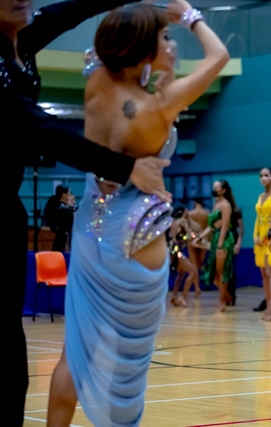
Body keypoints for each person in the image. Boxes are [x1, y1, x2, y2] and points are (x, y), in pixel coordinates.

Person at [46, 2, 229, 426]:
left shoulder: (98, 81)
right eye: (164, 38)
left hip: (90, 234)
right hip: (135, 241)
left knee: (75, 355)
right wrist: (190, 16)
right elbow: (219, 56)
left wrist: (148, 16)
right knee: (126, 370)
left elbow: (104, 48)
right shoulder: (160, 104)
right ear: (142, 46)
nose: (172, 45)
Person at [1, 0, 173, 424]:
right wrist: (124, 167)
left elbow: (66, 12)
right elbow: (42, 129)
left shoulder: (23, 37)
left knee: (10, 359)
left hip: (6, 209)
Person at [198, 180, 237, 312]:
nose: (214, 190)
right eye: (213, 187)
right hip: (215, 237)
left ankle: (222, 302)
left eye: (216, 187)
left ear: (223, 190)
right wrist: (200, 237)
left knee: (221, 271)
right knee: (214, 274)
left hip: (224, 238)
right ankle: (226, 295)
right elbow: (210, 227)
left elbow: (225, 225)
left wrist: (220, 243)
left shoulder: (225, 205)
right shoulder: (216, 204)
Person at [253, 167, 271, 321]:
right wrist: (255, 235)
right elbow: (258, 217)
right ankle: (268, 304)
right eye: (261, 175)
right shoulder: (261, 196)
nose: (263, 178)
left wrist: (264, 236)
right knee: (263, 273)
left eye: (266, 175)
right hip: (259, 237)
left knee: (270, 271)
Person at [168, 207, 199, 307]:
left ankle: (175, 296)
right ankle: (184, 298)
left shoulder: (173, 222)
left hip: (171, 250)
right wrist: (194, 236)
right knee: (193, 271)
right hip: (177, 250)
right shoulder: (182, 221)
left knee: (181, 274)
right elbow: (190, 234)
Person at [44, 185, 78, 252]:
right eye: (68, 193)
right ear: (63, 195)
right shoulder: (56, 204)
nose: (70, 195)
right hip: (61, 233)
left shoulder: (69, 206)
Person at [226, 203, 243, 306]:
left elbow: (241, 227)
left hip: (232, 240)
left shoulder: (236, 210)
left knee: (231, 268)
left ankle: (231, 295)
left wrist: (239, 242)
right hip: (222, 240)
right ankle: (225, 294)